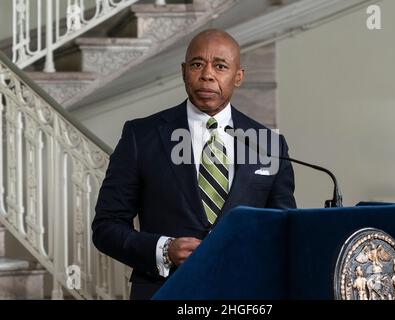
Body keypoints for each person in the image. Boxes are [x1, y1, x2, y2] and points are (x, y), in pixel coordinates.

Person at [92, 29, 296, 300]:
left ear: (238, 76)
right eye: (197, 64)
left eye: (220, 66)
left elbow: (284, 229)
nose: (207, 74)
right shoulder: (140, 136)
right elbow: (106, 226)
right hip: (164, 291)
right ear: (183, 71)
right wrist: (164, 249)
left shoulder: (269, 144)